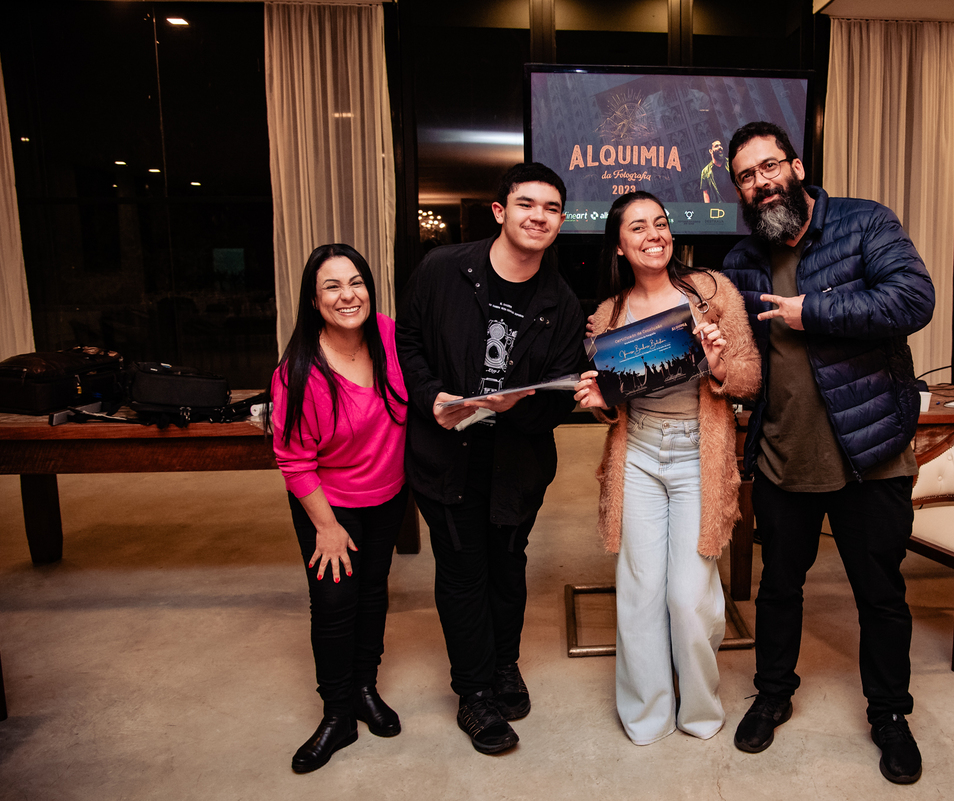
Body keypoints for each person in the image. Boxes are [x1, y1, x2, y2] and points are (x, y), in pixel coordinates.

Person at [721, 121, 935, 784]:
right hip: (784, 455)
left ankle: (889, 714)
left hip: (872, 452)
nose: (760, 183)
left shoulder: (864, 223)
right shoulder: (741, 261)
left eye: (769, 166)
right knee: (779, 588)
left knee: (881, 593)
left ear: (797, 166)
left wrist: (811, 311)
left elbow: (913, 298)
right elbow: (742, 361)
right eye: (746, 176)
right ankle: (772, 693)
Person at [395, 163, 586, 755]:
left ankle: (505, 664)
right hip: (445, 454)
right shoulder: (443, 269)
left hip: (517, 461)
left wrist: (515, 406)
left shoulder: (561, 301)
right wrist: (431, 397)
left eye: (551, 208)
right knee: (462, 571)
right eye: (526, 204)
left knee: (508, 566)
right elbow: (407, 341)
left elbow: (560, 394)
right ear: (500, 211)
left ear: (560, 221)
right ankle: (474, 693)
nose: (538, 216)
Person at [574, 191, 760, 745]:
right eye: (638, 227)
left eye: (660, 223)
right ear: (619, 245)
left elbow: (751, 377)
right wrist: (598, 401)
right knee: (639, 592)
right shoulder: (607, 316)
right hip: (638, 456)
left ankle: (699, 709)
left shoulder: (710, 291)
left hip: (699, 456)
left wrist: (720, 364)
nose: (654, 234)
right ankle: (647, 714)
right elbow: (613, 405)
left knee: (688, 594)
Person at [271, 243, 409, 773]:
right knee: (333, 604)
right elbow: (293, 459)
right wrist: (325, 527)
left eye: (356, 283)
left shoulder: (390, 337)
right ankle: (336, 715)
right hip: (328, 504)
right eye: (331, 286)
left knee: (372, 593)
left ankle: (364, 690)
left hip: (387, 495)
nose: (347, 295)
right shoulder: (299, 372)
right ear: (313, 300)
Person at [700, 139, 728, 204]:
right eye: (716, 146)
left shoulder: (731, 163)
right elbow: (706, 192)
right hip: (722, 206)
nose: (720, 147)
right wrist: (708, 207)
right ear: (710, 151)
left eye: (721, 145)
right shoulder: (705, 172)